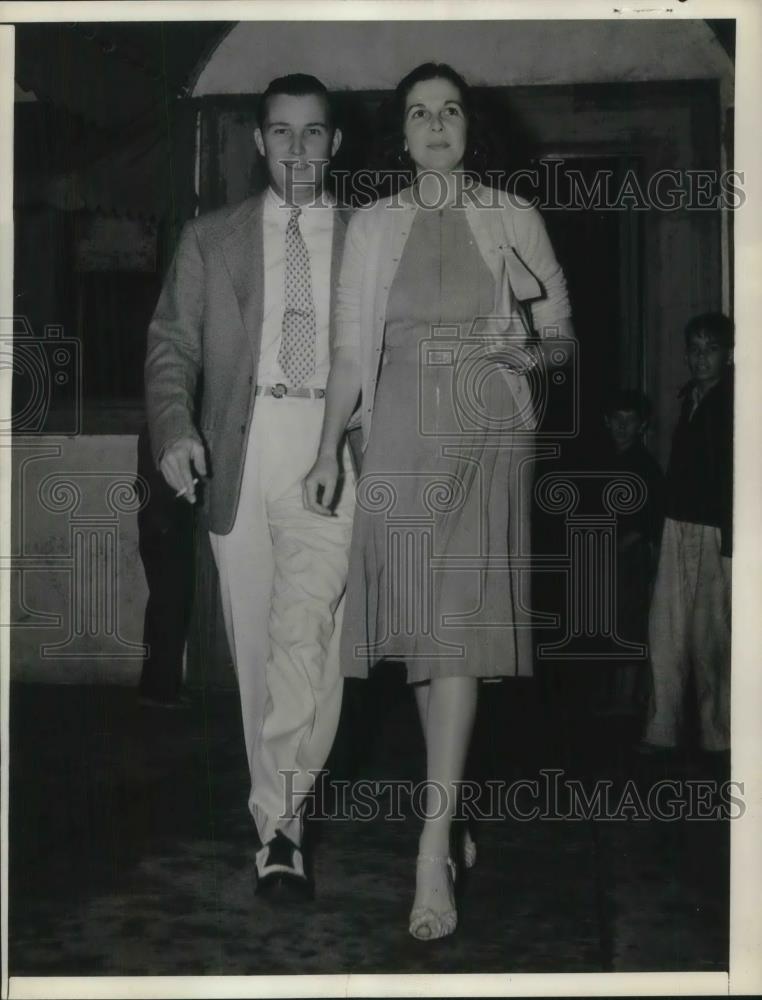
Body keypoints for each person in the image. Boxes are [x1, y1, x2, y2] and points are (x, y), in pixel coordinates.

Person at [304, 63, 573, 939]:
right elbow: (349, 355)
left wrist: (524, 359)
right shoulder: (374, 228)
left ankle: (428, 852)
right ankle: (449, 812)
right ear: (400, 132)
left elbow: (561, 336)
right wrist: (325, 453)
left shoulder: (511, 215)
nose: (435, 124)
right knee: (425, 634)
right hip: (398, 436)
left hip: (488, 427)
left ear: (468, 127)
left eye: (449, 110)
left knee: (456, 629)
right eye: (418, 112)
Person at [145, 74, 355, 897]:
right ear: (259, 142)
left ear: (335, 144)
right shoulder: (211, 238)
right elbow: (172, 346)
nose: (298, 149)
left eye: (314, 134)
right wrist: (174, 429)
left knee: (312, 645)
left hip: (330, 449)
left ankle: (278, 816)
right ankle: (283, 826)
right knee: (261, 655)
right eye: (282, 133)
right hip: (244, 447)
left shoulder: (367, 237)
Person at [640, 313, 733, 755]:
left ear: (727, 353)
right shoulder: (688, 398)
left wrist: (733, 542)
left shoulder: (735, 403)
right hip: (678, 524)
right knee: (666, 631)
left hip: (715, 530)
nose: (701, 357)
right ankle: (662, 729)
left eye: (710, 348)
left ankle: (721, 737)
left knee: (712, 637)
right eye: (694, 349)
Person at [596, 390, 664, 716]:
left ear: (642, 425)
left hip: (629, 558)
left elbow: (649, 522)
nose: (622, 427)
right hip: (601, 557)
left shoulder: (646, 467)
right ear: (606, 422)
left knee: (629, 626)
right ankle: (613, 697)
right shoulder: (600, 461)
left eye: (630, 420)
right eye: (617, 420)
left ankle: (625, 702)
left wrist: (617, 550)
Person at [135, 424, 195, 709]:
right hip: (163, 520)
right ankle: (158, 689)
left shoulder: (157, 425)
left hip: (162, 518)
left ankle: (159, 686)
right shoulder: (160, 428)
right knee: (169, 600)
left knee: (167, 601)